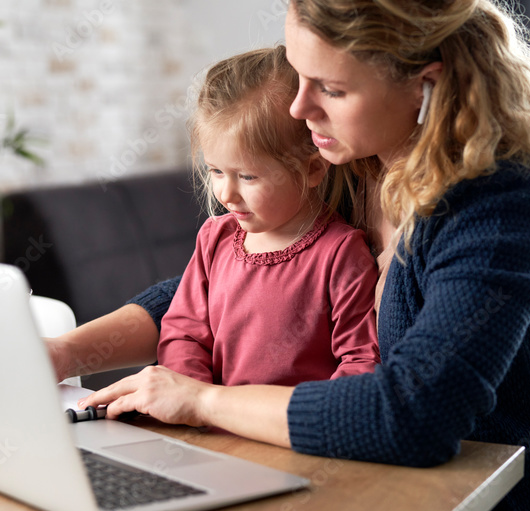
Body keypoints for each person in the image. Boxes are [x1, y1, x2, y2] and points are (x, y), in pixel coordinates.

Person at [50, 1, 530, 511]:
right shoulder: (356, 168)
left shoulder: (502, 208)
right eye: (299, 78)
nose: (299, 110)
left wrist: (201, 399)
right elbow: (214, 287)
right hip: (354, 500)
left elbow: (412, 413)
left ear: (426, 84)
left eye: (330, 88)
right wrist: (64, 352)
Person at [160, 45, 379, 387]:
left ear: (312, 169)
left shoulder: (341, 254)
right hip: (211, 431)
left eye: (247, 177)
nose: (226, 194)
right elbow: (183, 334)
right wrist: (192, 401)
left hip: (290, 435)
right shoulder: (213, 238)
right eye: (216, 171)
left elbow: (361, 360)